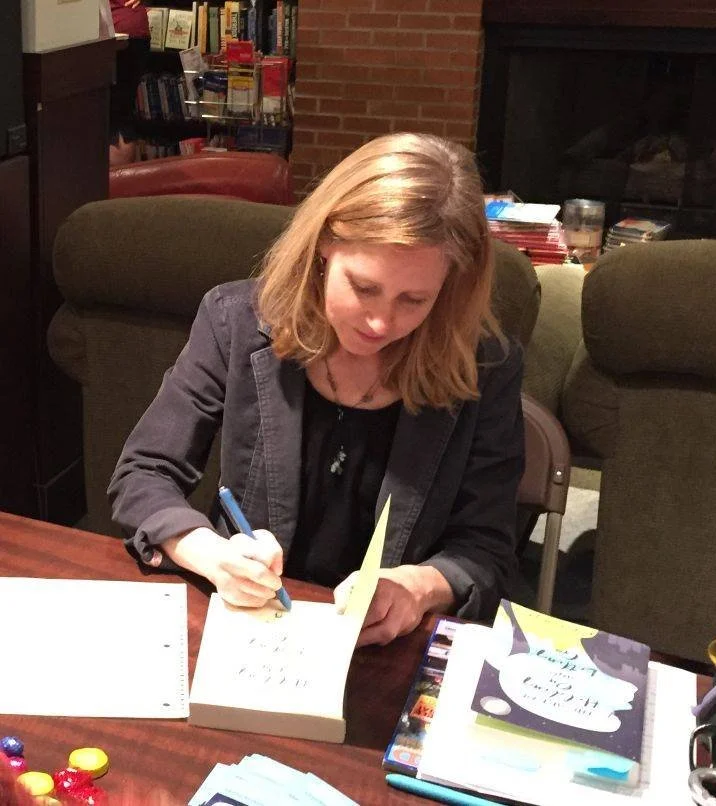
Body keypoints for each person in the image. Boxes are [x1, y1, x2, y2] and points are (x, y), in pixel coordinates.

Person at [109, 132, 525, 646]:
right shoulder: (237, 322)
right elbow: (143, 472)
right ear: (325, 244)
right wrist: (209, 553)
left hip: (386, 649)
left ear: (450, 287)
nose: (379, 322)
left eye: (414, 300)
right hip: (250, 631)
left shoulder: (484, 366)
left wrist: (415, 588)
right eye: (364, 287)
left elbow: (485, 549)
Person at [109, 0, 150, 166]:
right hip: (133, 30)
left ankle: (117, 186)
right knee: (120, 115)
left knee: (113, 119)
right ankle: (124, 184)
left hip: (116, 34)